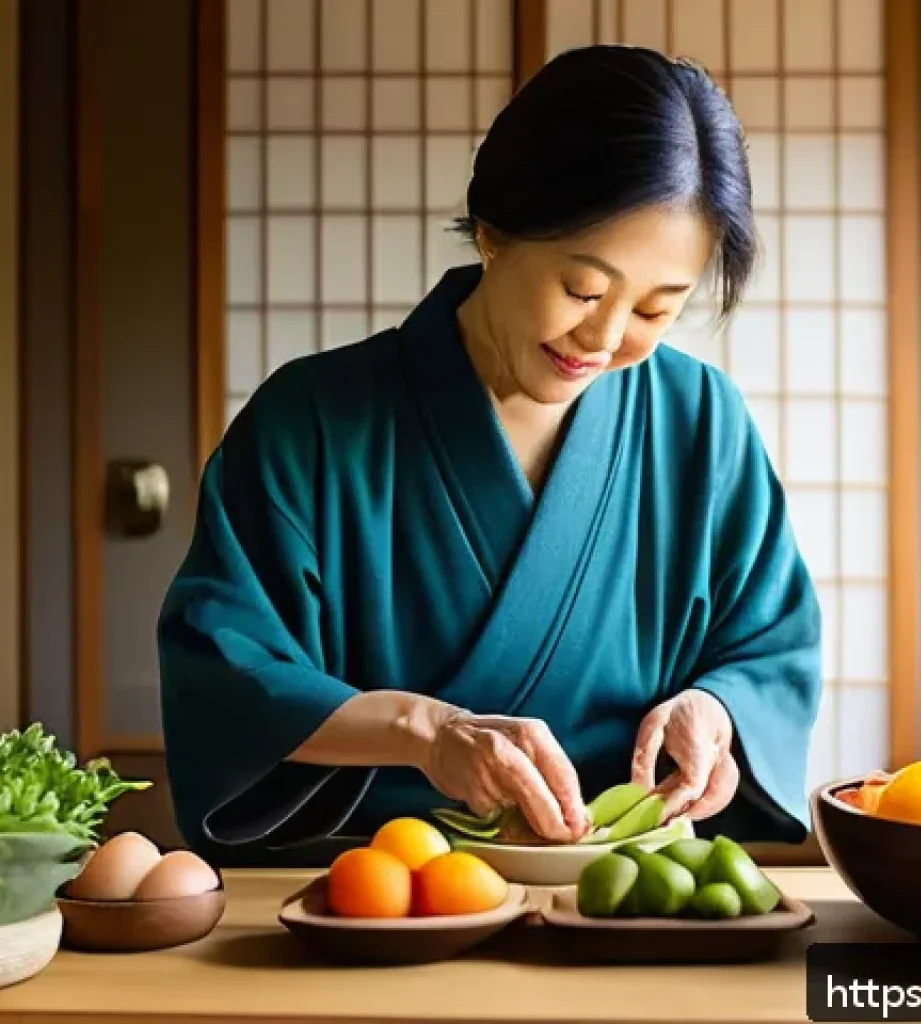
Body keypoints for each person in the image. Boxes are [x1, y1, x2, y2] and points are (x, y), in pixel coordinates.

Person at [157, 44, 822, 867]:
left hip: (627, 880)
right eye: (582, 290)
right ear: (494, 232)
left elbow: (769, 645)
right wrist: (424, 732)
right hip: (383, 882)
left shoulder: (702, 422)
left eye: (658, 308)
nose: (606, 339)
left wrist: (717, 710)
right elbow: (225, 669)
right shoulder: (309, 422)